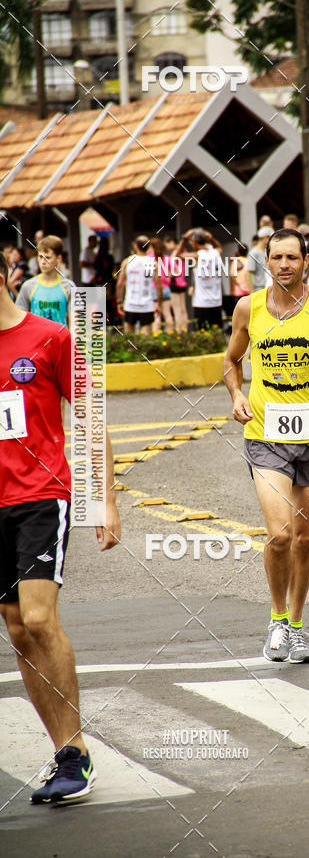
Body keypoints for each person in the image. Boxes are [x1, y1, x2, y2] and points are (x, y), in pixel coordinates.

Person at [0, 250, 121, 804]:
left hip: (41, 496)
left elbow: (90, 414)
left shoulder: (50, 338)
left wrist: (106, 501)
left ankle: (77, 750)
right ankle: (63, 754)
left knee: (39, 617)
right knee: (18, 629)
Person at [223, 228, 309, 663]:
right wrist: (237, 395)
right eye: (276, 257)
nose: (284, 264)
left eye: (292, 258)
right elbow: (231, 361)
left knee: (305, 539)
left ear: (307, 261)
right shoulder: (249, 309)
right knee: (280, 534)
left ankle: (298, 627)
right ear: (266, 261)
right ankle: (277, 621)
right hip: (266, 436)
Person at [16, 235, 74, 327]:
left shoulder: (69, 286)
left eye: (47, 257)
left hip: (61, 339)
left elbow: (76, 322)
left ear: (59, 258)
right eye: (40, 257)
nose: (43, 261)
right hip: (37, 339)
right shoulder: (28, 286)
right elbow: (19, 320)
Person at [116, 236, 162, 335]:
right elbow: (159, 286)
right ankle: (144, 351)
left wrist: (119, 302)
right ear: (149, 246)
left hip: (130, 304)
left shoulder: (127, 261)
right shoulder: (153, 263)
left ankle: (130, 350)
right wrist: (158, 303)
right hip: (147, 305)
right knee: (146, 337)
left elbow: (119, 284)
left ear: (135, 246)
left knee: (129, 337)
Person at [188, 229, 223, 329]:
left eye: (191, 242)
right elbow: (219, 247)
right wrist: (211, 239)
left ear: (195, 242)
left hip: (201, 302)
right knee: (216, 334)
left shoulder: (196, 255)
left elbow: (176, 255)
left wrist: (184, 239)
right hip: (216, 301)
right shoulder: (215, 253)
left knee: (201, 334)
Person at [148, 237, 175, 334]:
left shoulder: (149, 259)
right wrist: (168, 277)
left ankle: (156, 337)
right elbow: (175, 271)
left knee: (157, 315)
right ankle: (171, 335)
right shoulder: (167, 259)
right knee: (168, 314)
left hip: (153, 289)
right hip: (166, 288)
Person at [165, 233, 189, 332]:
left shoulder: (176, 253)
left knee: (177, 309)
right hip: (182, 282)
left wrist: (169, 274)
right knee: (183, 308)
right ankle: (184, 329)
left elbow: (173, 265)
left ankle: (179, 332)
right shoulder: (184, 251)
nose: (166, 246)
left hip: (175, 283)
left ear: (172, 242)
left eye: (167, 243)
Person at [245, 226, 273, 291]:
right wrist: (252, 293)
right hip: (259, 290)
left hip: (270, 289)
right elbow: (247, 273)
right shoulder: (253, 253)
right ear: (266, 237)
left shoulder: (268, 252)